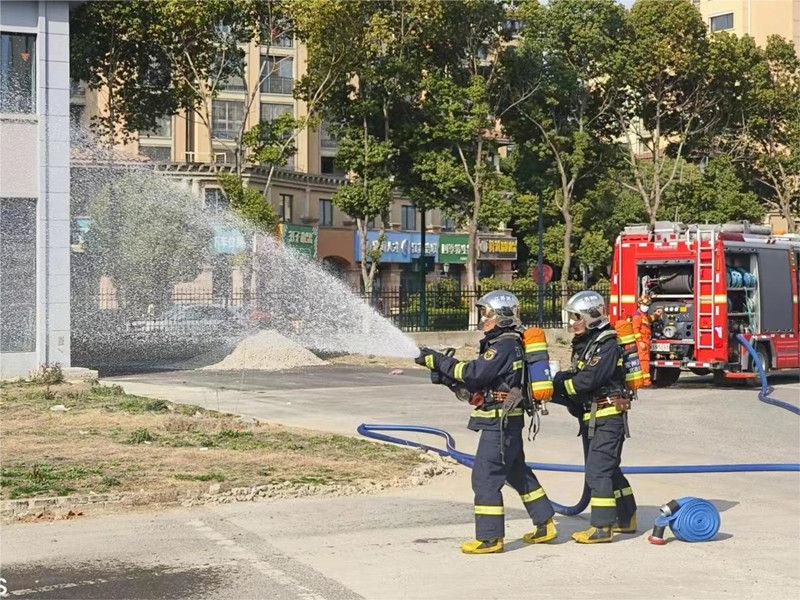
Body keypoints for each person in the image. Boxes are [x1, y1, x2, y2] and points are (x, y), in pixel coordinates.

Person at [416, 290, 556, 555]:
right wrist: (443, 372)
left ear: (502, 316)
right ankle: (545, 522)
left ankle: (490, 538)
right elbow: (477, 381)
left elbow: (475, 373)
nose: (483, 318)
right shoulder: (503, 343)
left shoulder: (504, 344)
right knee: (517, 472)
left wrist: (439, 360)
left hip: (499, 422)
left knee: (485, 478)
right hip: (505, 421)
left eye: (487, 313)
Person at [552, 291, 637, 544]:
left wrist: (559, 386)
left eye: (576, 317)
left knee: (598, 471)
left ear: (591, 316)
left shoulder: (606, 343)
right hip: (595, 414)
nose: (572, 323)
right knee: (609, 470)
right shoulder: (588, 342)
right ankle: (627, 516)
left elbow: (588, 380)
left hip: (608, 415)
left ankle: (602, 527)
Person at [630, 294, 655, 386]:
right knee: (644, 360)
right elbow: (635, 330)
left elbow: (649, 319)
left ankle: (645, 380)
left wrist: (656, 315)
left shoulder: (644, 315)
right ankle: (646, 381)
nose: (646, 307)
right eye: (645, 305)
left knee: (646, 360)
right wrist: (640, 342)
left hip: (646, 341)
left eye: (648, 305)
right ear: (640, 304)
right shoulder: (637, 316)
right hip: (642, 341)